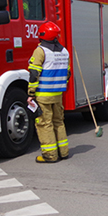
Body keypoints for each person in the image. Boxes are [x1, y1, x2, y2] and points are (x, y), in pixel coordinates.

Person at [27, 21, 70, 163]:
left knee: (44, 124)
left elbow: (34, 73)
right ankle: (63, 152)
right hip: (58, 95)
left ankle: (50, 155)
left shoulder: (41, 51)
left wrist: (31, 93)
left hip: (43, 95)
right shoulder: (64, 51)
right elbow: (67, 74)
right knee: (59, 122)